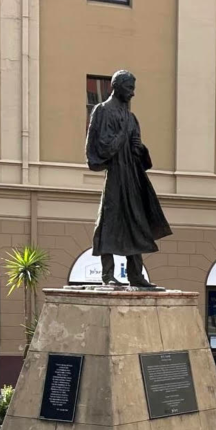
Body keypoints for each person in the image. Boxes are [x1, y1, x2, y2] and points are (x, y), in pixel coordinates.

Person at [86, 70, 172, 287]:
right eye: (129, 88)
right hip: (115, 175)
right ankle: (108, 275)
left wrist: (139, 149)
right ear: (117, 86)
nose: (133, 94)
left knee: (136, 221)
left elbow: (137, 149)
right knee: (110, 222)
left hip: (132, 176)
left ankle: (135, 275)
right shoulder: (102, 111)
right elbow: (102, 147)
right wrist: (124, 135)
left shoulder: (131, 118)